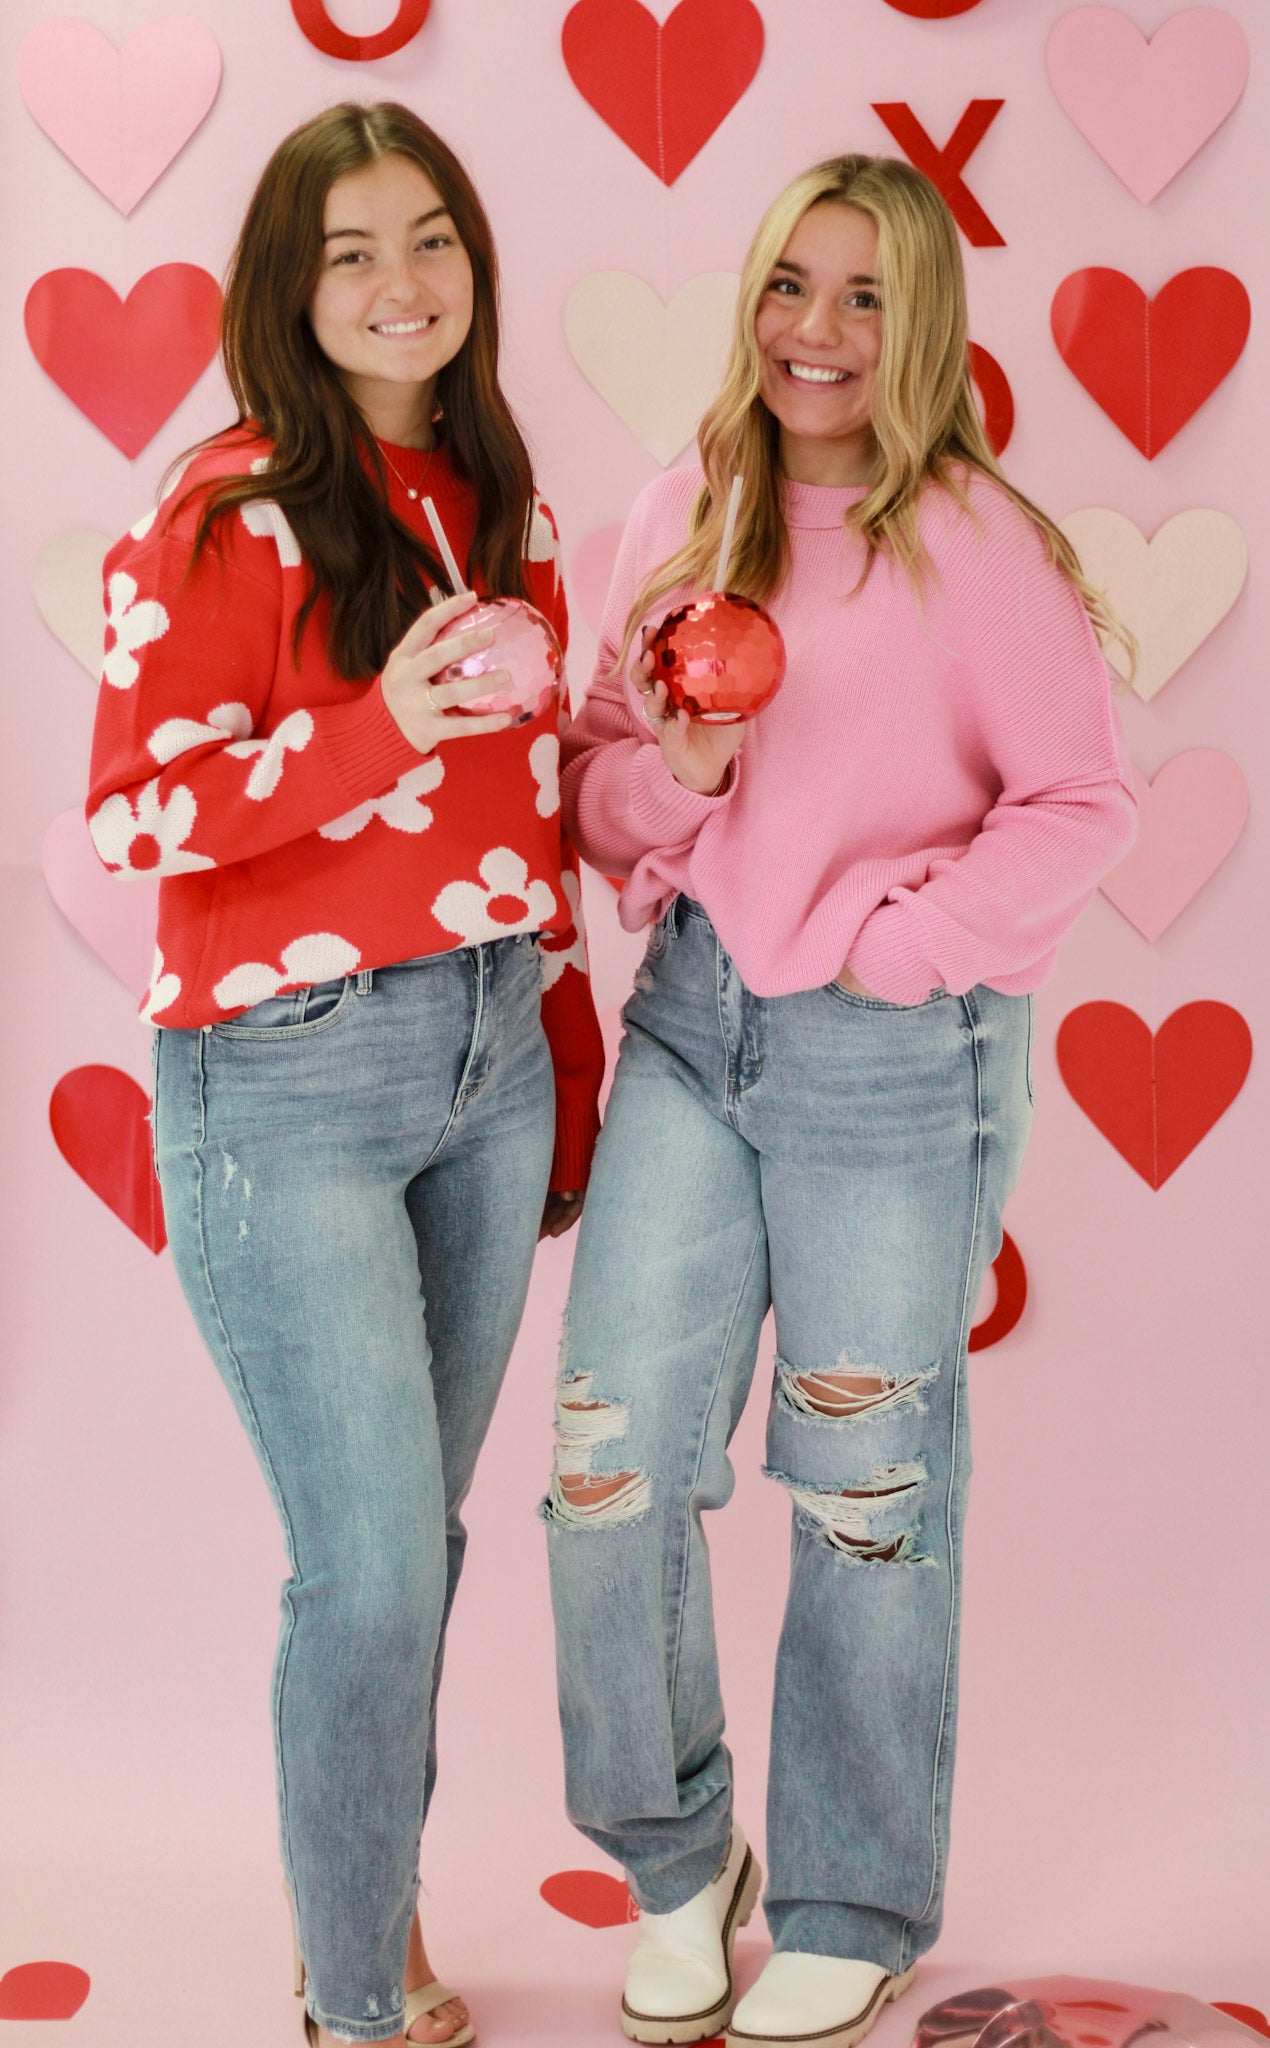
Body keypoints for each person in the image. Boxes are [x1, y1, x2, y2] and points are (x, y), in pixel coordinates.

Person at [544, 154, 1136, 2048]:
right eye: (791, 283)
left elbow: (1080, 803)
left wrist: (904, 945)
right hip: (693, 1024)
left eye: (865, 294)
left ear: (923, 326)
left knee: (864, 1488)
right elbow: (594, 792)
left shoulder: (973, 541)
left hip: (889, 1054)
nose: (816, 328)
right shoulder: (684, 509)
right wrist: (687, 773)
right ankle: (674, 1861)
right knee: (609, 1462)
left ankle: (849, 1897)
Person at [87, 102, 603, 2047]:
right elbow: (136, 816)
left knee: (421, 1549)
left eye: (431, 238)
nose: (402, 284)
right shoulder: (223, 511)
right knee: (370, 1569)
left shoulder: (498, 495)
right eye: (351, 252)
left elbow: (523, 818)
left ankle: (360, 1931)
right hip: (283, 1082)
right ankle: (358, 1999)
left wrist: (562, 1053)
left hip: (488, 1059)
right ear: (286, 291)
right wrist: (375, 720)